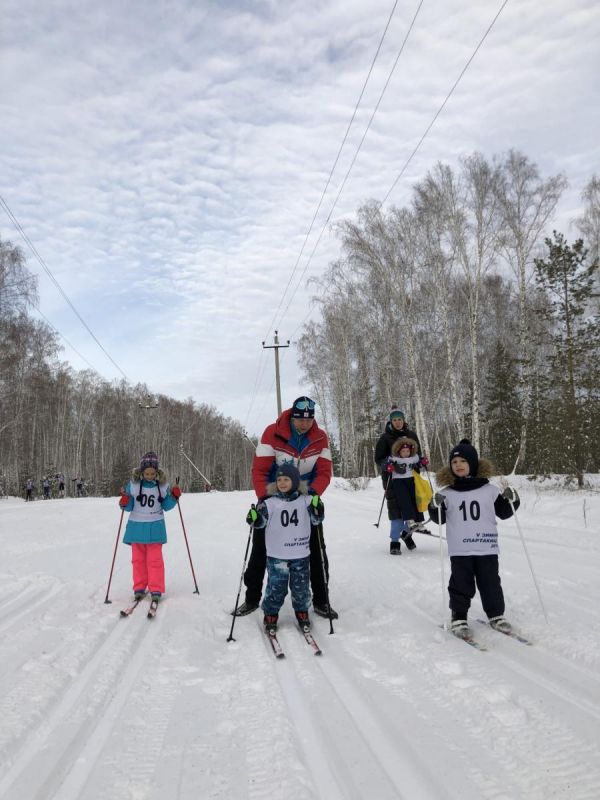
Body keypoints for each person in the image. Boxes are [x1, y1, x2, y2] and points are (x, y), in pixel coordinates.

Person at [234, 396, 336, 618]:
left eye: (309, 420)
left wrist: (314, 495)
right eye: (300, 420)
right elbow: (259, 470)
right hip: (274, 497)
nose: (304, 424)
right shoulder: (272, 432)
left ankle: (321, 600)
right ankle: (252, 598)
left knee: (317, 548)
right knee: (261, 548)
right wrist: (265, 499)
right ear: (293, 416)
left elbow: (325, 471)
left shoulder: (320, 438)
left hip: (305, 498)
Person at [428, 438, 520, 637]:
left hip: (486, 546)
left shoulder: (490, 490)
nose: (458, 465)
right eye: (454, 462)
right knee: (460, 583)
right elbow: (438, 519)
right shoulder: (447, 493)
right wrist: (434, 505)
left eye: (463, 461)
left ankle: (496, 614)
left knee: (490, 582)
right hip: (460, 548)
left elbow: (504, 512)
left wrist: (513, 499)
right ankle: (459, 616)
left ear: (473, 464)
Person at [246, 463, 324, 632]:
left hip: (300, 553)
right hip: (277, 554)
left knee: (301, 586)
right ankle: (271, 613)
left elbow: (317, 520)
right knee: (276, 586)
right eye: (279, 479)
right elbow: (260, 523)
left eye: (286, 479)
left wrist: (318, 509)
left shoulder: (307, 500)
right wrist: (254, 518)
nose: (282, 483)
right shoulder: (270, 502)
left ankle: (302, 611)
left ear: (295, 481)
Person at [118, 451, 181, 601]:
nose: (150, 476)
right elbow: (128, 506)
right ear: (142, 472)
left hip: (155, 528)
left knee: (155, 561)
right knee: (138, 560)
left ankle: (156, 589)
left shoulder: (162, 486)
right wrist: (124, 502)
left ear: (157, 472)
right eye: (147, 473)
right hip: (136, 528)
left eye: (153, 473)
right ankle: (139, 587)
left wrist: (174, 497)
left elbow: (166, 505)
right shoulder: (133, 485)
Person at [374, 406, 429, 554]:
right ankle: (394, 541)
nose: (397, 422)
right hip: (393, 480)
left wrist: (420, 463)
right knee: (396, 511)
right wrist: (386, 465)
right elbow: (378, 458)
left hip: (411, 479)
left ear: (404, 420)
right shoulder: (385, 438)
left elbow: (417, 453)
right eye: (394, 420)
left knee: (410, 507)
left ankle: (406, 534)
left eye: (400, 419)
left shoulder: (411, 435)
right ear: (390, 422)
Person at [383, 436, 423, 554]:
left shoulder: (413, 458)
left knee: (413, 506)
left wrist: (422, 462)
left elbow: (419, 461)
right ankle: (395, 542)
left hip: (411, 483)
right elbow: (384, 463)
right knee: (400, 511)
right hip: (397, 485)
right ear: (398, 451)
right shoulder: (394, 458)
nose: (406, 453)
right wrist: (388, 467)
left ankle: (409, 530)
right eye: (403, 451)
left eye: (407, 451)